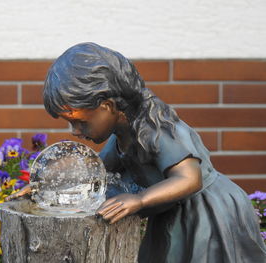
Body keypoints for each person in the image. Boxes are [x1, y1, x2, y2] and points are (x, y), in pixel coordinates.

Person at [43, 42, 266, 262]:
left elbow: (190, 178)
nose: (75, 131)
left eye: (80, 122)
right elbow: (97, 172)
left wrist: (140, 199)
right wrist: (45, 188)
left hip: (206, 213)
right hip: (171, 212)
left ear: (108, 106)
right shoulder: (121, 135)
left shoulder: (158, 128)